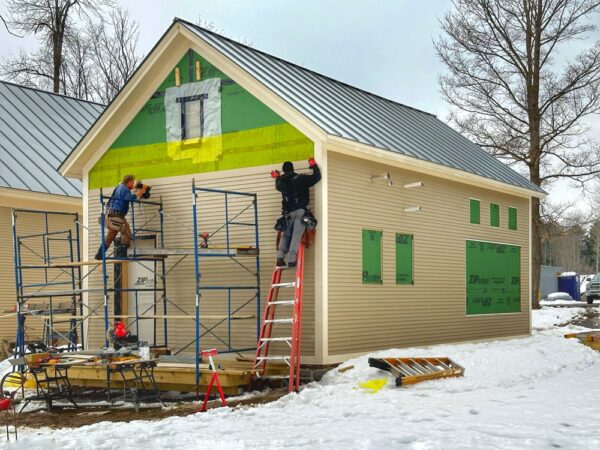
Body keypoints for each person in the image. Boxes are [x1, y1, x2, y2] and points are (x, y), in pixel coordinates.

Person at [273, 158, 321, 267]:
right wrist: (313, 166)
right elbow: (317, 177)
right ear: (292, 169)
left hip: (287, 214)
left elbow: (277, 184)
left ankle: (280, 257)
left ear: (284, 171)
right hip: (300, 211)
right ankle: (291, 260)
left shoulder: (281, 183)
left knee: (285, 235)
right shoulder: (302, 179)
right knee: (296, 235)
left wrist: (277, 177)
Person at [94, 174, 142, 260]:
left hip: (112, 214)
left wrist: (133, 190)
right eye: (132, 182)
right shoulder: (124, 189)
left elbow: (125, 194)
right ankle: (122, 255)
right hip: (118, 215)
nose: (132, 185)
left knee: (111, 235)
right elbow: (128, 198)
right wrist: (136, 194)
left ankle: (99, 254)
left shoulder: (120, 187)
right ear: (129, 181)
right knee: (127, 236)